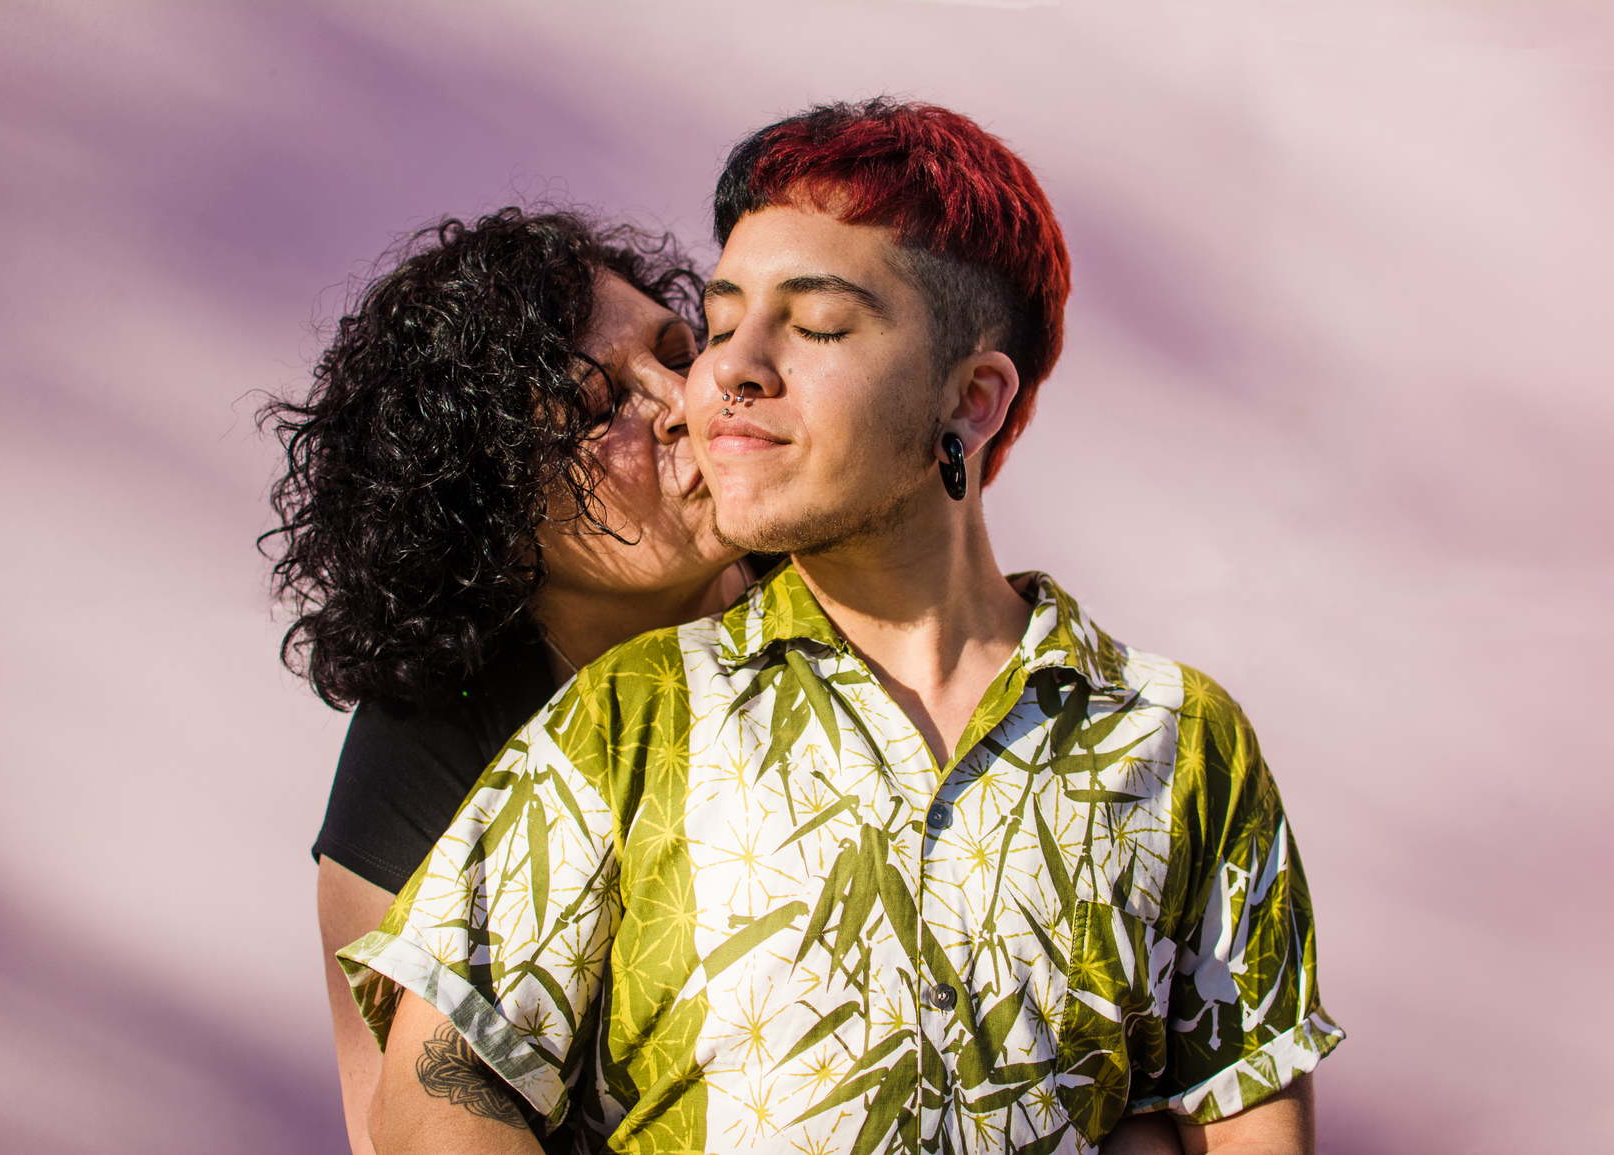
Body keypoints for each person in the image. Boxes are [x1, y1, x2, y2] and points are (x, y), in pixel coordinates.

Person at [340, 101, 1343, 1154]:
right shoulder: (622, 721)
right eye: (720, 326)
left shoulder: (1179, 741)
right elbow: (437, 1082)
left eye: (815, 326)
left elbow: (1239, 1102)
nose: (723, 373)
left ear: (973, 401)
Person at [259, 208, 755, 1154]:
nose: (687, 402)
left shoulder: (836, 586)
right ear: (486, 515)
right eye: (596, 411)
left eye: (681, 348)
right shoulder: (425, 751)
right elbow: (392, 1128)